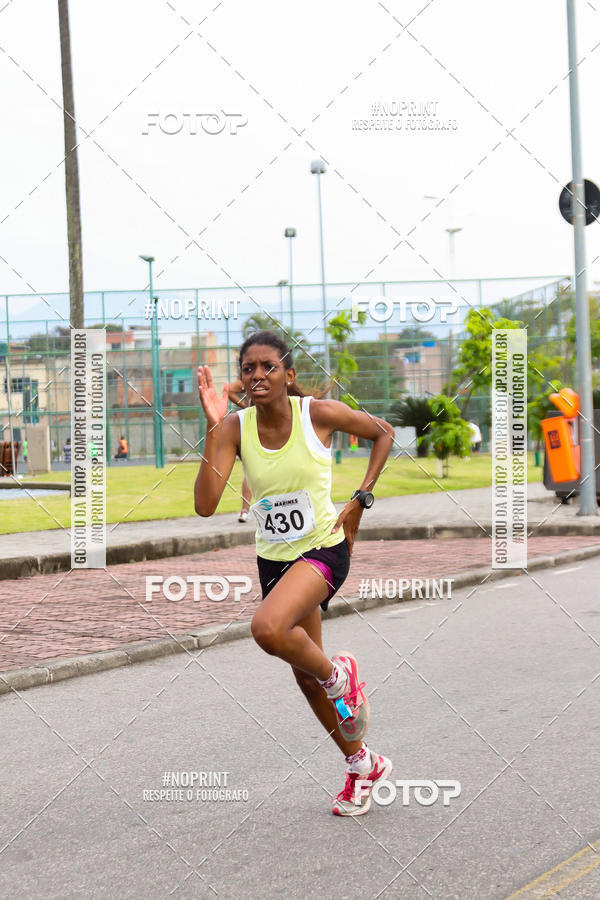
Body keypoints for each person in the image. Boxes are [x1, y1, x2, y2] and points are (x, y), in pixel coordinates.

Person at [194, 330, 395, 816]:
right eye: (248, 369)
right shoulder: (235, 429)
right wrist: (214, 426)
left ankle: (340, 674)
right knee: (306, 676)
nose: (257, 375)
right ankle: (362, 765)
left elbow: (383, 431)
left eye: (267, 367)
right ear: (240, 379)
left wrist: (361, 498)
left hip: (324, 551)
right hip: (274, 560)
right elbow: (204, 505)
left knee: (267, 628)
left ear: (288, 374)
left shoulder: (318, 415)